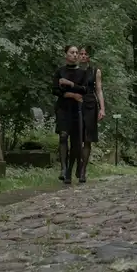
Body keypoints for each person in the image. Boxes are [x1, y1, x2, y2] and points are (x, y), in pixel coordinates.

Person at [52, 45, 90, 184]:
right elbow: (54, 89)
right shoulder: (59, 71)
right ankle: (63, 167)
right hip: (63, 108)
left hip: (77, 110)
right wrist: (68, 94)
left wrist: (71, 85)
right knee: (63, 136)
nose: (75, 55)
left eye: (76, 53)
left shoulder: (82, 73)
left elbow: (85, 89)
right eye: (71, 52)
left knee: (76, 142)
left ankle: (69, 172)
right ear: (66, 55)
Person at [77, 45, 105, 183]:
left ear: (89, 56)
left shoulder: (95, 71)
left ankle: (83, 170)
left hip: (90, 104)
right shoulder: (73, 71)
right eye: (80, 53)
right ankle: (75, 167)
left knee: (87, 138)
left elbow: (99, 90)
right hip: (75, 103)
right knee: (76, 137)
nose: (82, 55)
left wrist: (102, 108)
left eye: (85, 54)